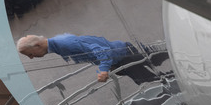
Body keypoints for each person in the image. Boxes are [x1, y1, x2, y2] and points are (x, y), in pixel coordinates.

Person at [17, 33, 160, 84]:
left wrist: (103, 70)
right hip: (121, 55)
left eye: (29, 54)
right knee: (152, 71)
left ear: (36, 45)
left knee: (150, 79)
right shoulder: (57, 44)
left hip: (124, 56)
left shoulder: (64, 44)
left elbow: (101, 50)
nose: (31, 58)